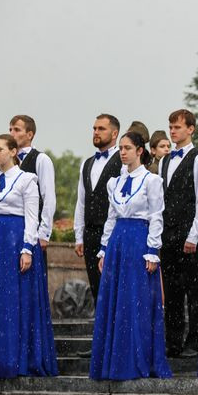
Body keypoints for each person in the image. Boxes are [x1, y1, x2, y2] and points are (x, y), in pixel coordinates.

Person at [0, 134, 58, 379]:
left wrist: (27, 248)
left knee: (13, 297)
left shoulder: (26, 180)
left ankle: (15, 358)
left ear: (13, 151)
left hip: (14, 240)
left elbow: (31, 217)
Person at [91, 131, 170, 380]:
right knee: (115, 300)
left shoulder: (151, 180)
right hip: (118, 242)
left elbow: (156, 216)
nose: (122, 152)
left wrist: (152, 251)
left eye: (127, 148)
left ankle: (137, 358)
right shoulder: (114, 183)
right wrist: (104, 249)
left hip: (139, 241)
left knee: (137, 299)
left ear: (139, 150)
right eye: (121, 148)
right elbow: (111, 217)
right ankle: (115, 359)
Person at [159, 109, 198, 358]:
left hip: (189, 232)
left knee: (194, 289)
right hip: (167, 232)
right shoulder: (164, 160)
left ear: (190, 129)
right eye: (170, 127)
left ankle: (195, 341)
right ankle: (173, 341)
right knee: (171, 290)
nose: (172, 131)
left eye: (177, 127)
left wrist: (194, 234)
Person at [74, 114, 123, 303]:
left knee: (114, 287)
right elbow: (81, 201)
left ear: (114, 133)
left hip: (113, 232)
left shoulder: (122, 161)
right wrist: (79, 235)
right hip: (90, 233)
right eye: (94, 128)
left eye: (101, 129)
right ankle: (100, 322)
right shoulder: (87, 163)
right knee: (96, 287)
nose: (96, 132)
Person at [8, 115, 56, 258]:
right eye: (10, 130)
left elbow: (48, 197)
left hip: (33, 231)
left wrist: (44, 233)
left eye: (17, 130)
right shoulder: (7, 161)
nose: (12, 134)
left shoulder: (41, 160)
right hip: (10, 231)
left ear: (30, 134)